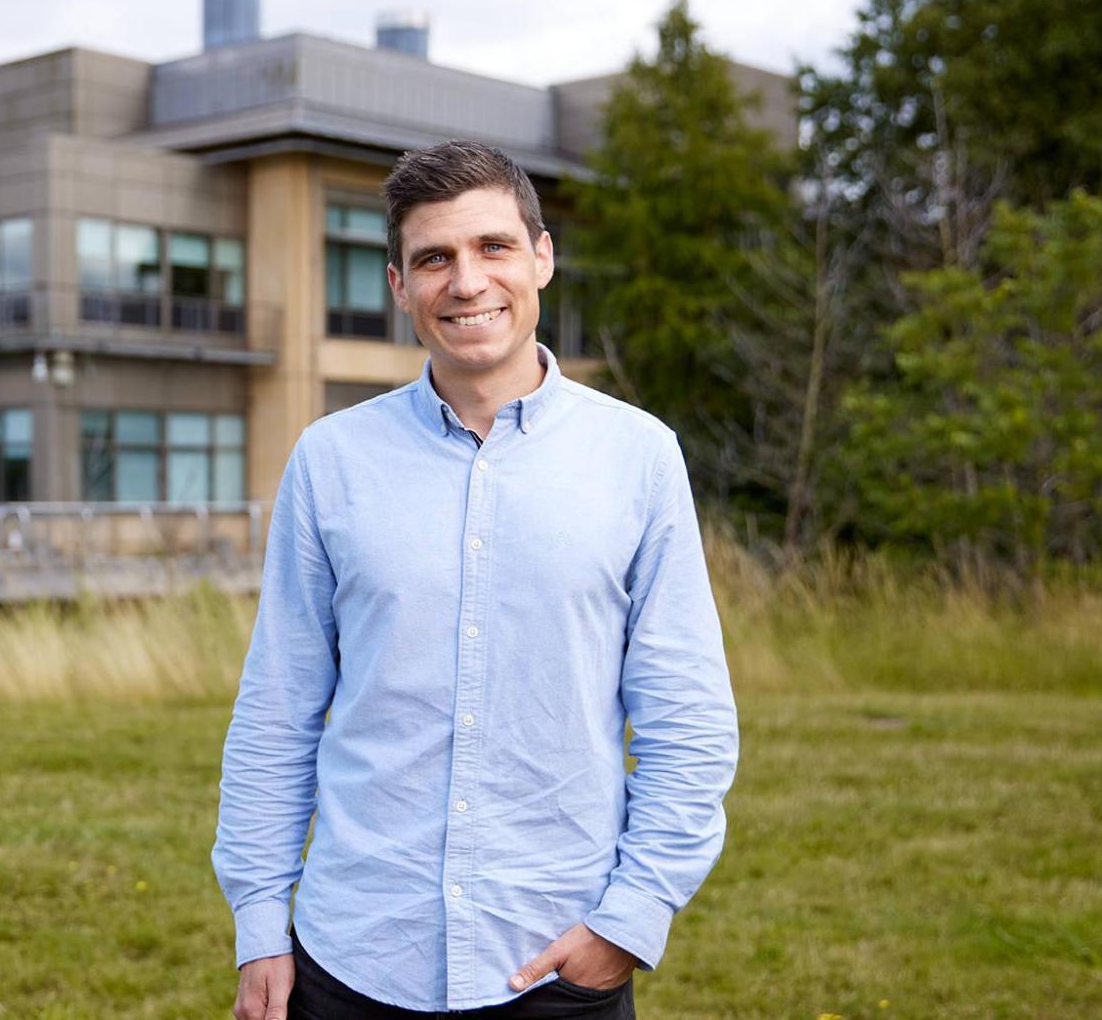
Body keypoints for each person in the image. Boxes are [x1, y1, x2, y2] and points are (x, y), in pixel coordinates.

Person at [213, 140, 739, 1019]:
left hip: (558, 963)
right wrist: (261, 921)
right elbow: (278, 710)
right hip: (352, 962)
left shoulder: (639, 458)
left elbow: (687, 717)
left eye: (493, 247)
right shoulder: (330, 460)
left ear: (542, 257)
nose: (466, 282)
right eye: (434, 259)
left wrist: (633, 918)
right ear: (398, 285)